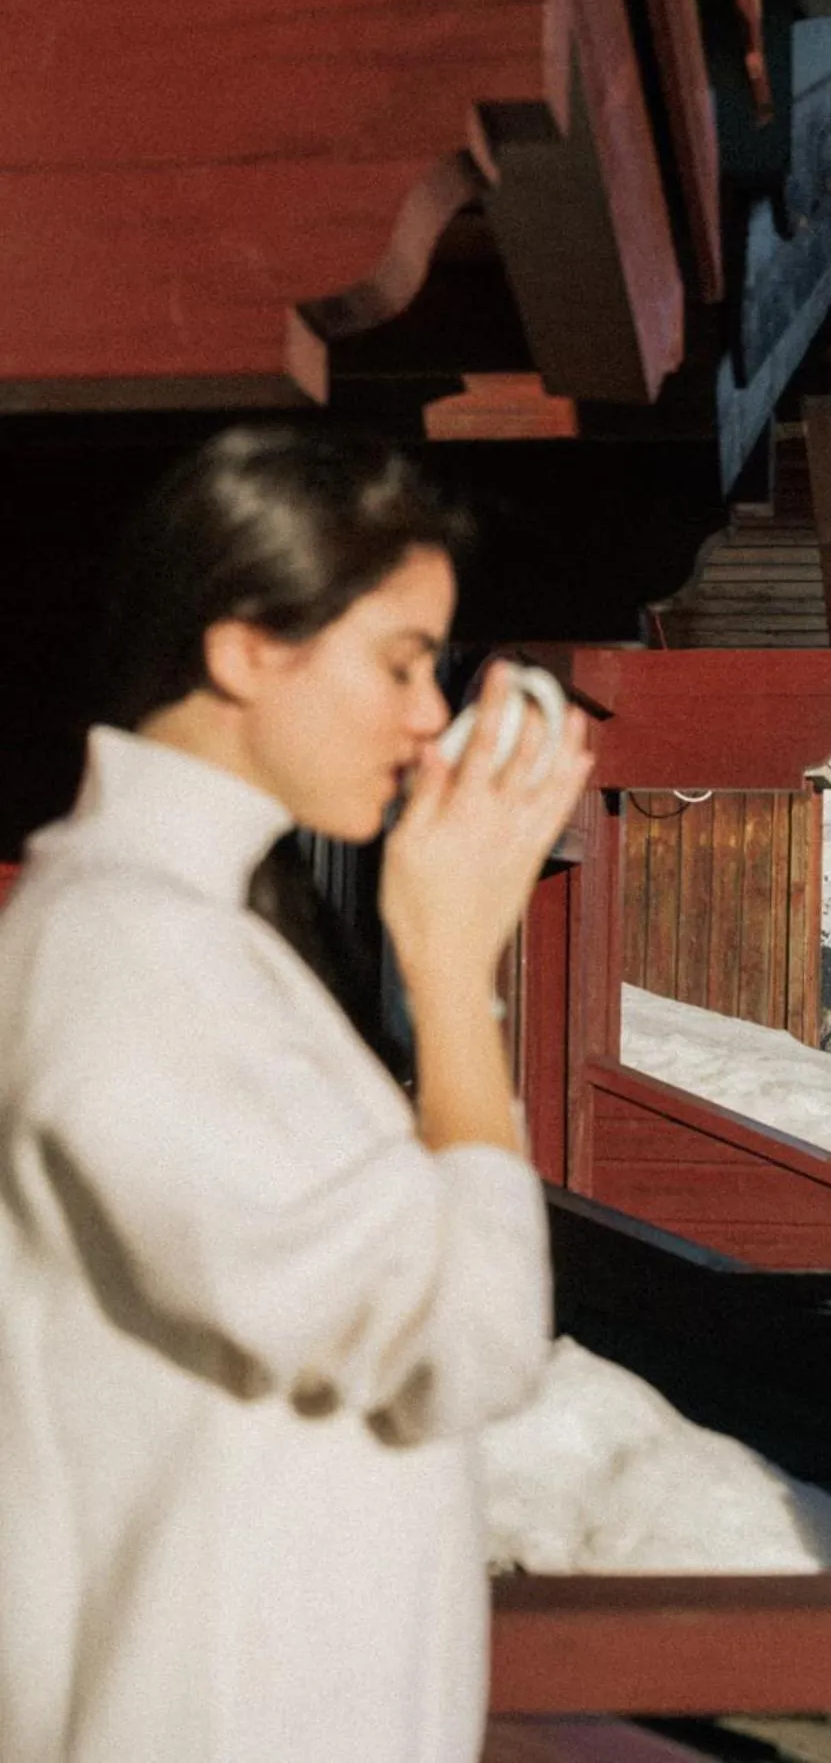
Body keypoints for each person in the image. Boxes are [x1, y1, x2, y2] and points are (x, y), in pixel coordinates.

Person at [0, 424, 592, 1762]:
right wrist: (450, 975)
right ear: (244, 648)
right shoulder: (129, 955)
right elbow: (472, 1341)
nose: (431, 715)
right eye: (397, 663)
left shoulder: (186, 936)